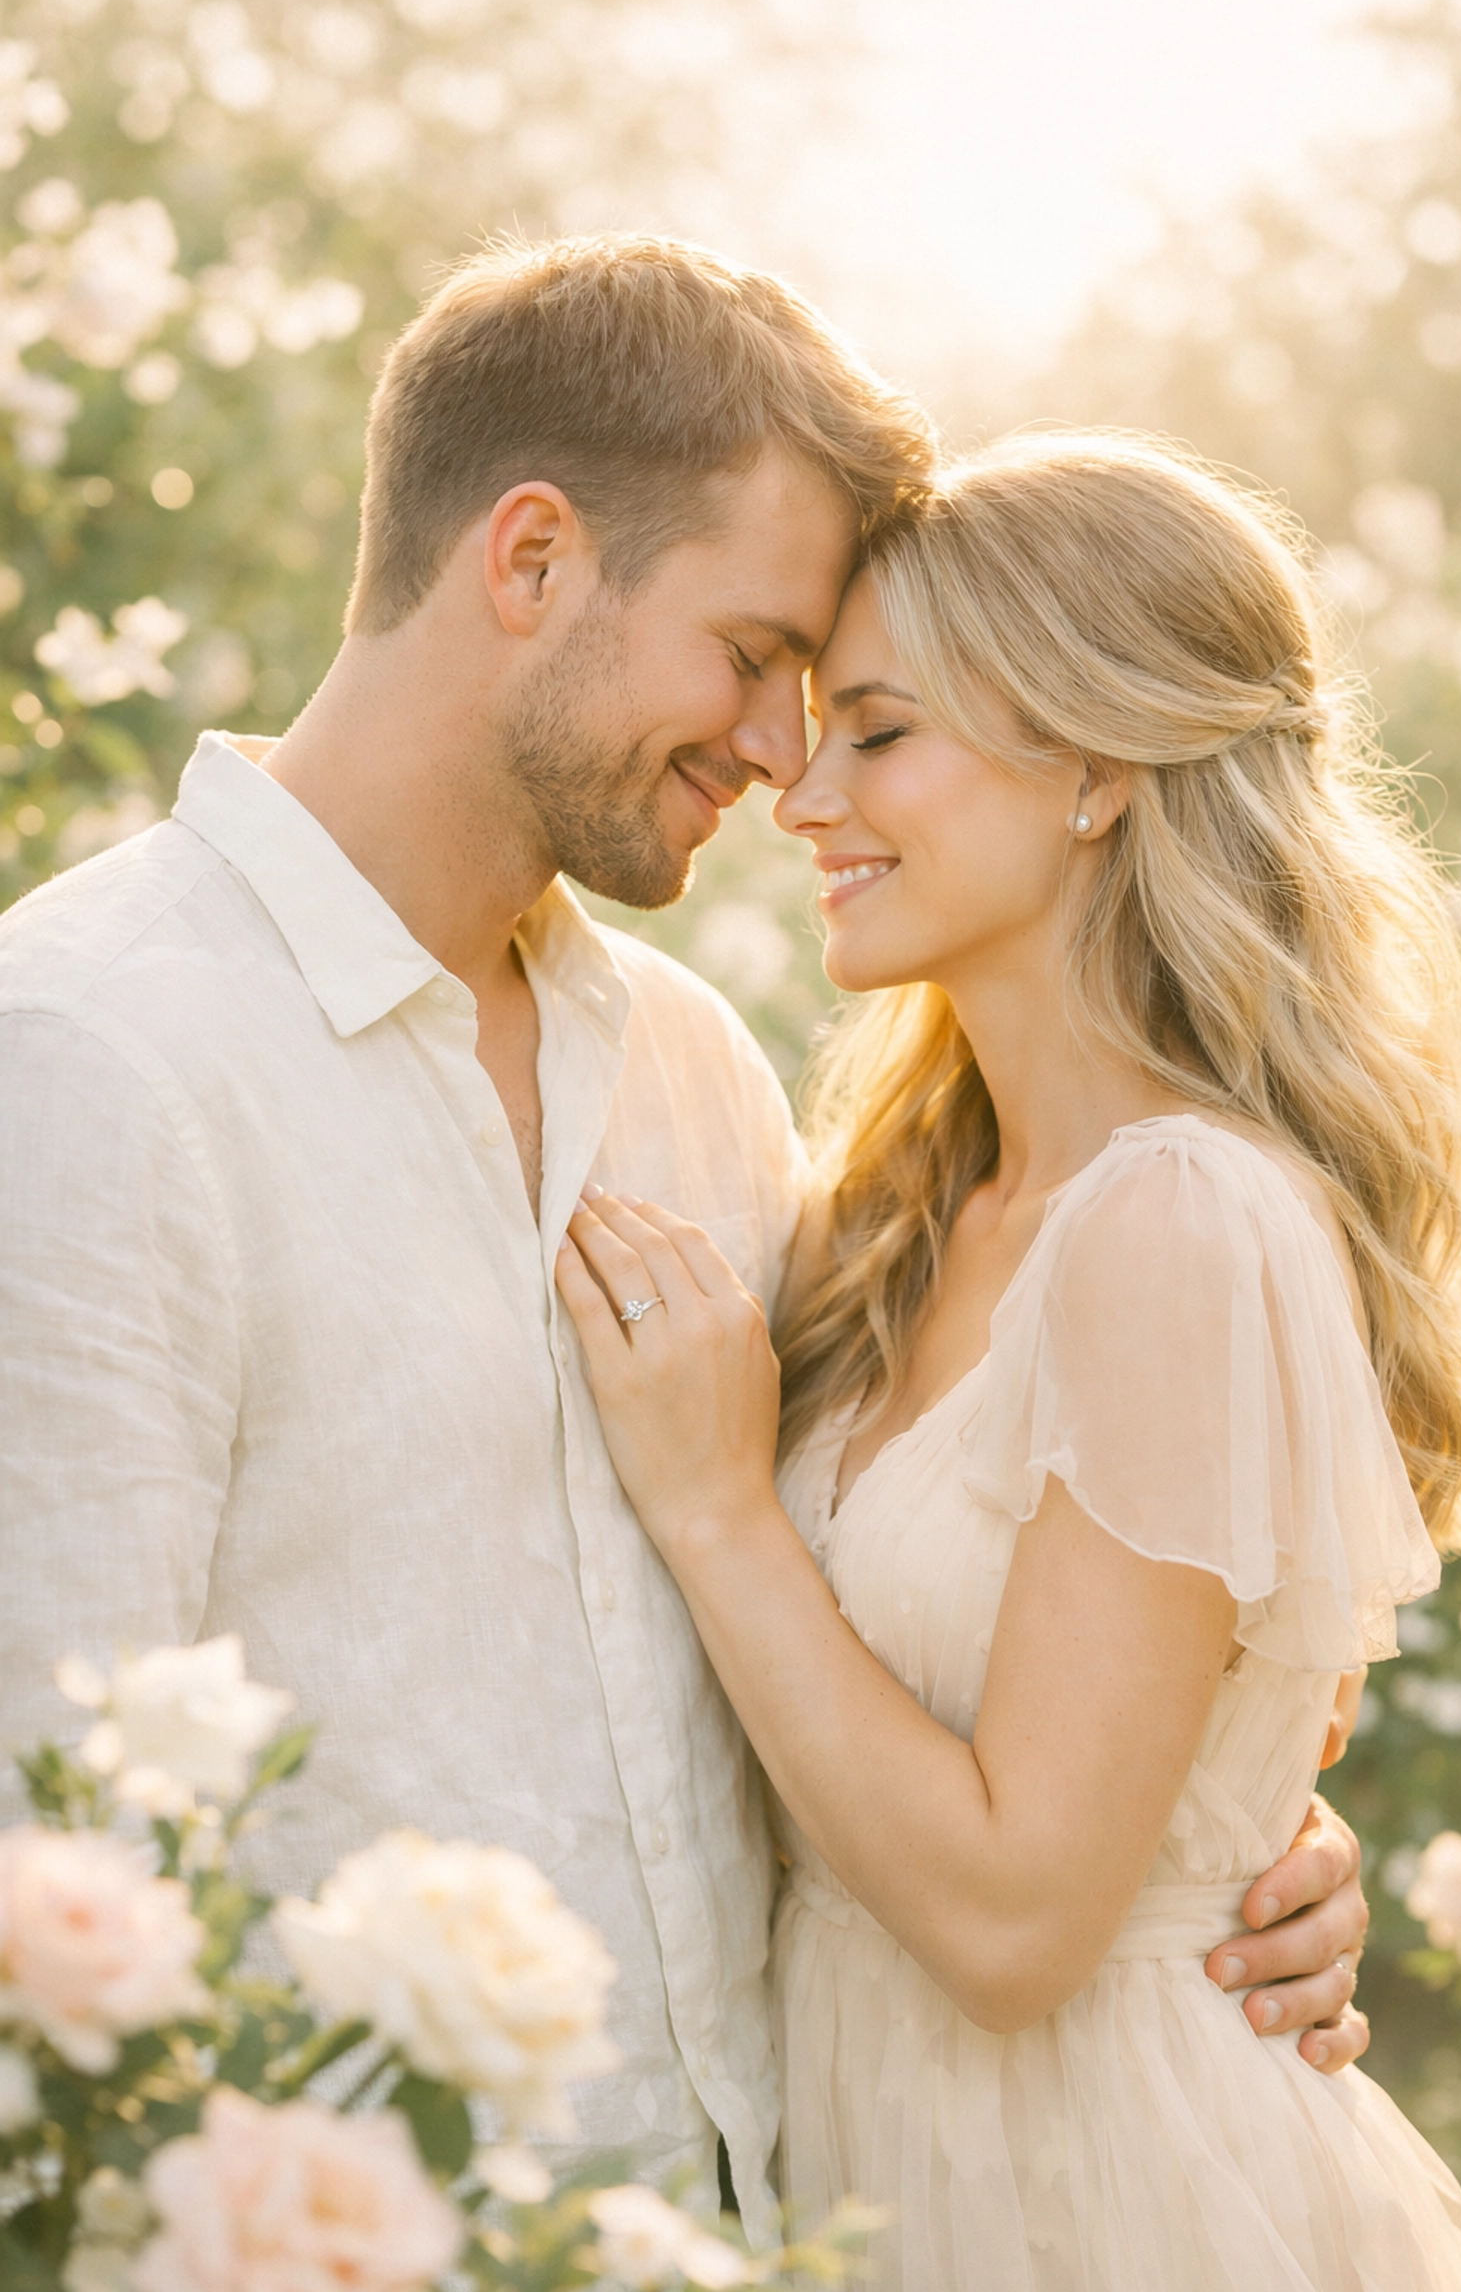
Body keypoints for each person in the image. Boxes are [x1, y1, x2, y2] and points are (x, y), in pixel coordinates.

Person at [0, 241, 1369, 2239]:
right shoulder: (93, 1058)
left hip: (784, 2234)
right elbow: (49, 1855)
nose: (775, 751)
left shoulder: (693, 1074)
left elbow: (961, 1557)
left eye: (840, 706)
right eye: (750, 654)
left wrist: (1218, 1829)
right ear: (533, 558)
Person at [555, 431, 1461, 2286]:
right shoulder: (886, 1215)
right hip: (877, 2174)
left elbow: (1016, 1925)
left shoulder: (1182, 1224)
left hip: (1111, 2194)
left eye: (880, 731)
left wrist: (717, 1507)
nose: (802, 789)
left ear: (1093, 769)